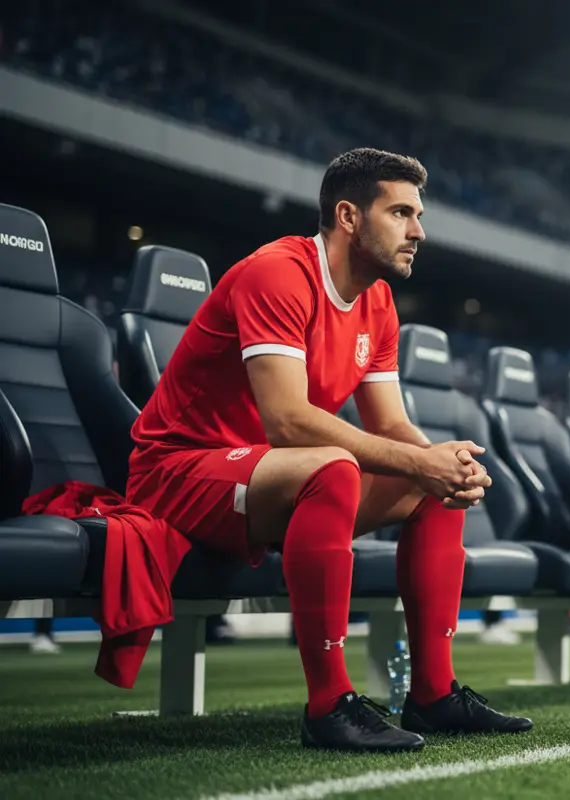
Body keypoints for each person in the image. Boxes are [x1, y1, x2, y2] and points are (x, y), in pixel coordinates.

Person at [126, 148, 531, 752]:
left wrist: (444, 463)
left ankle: (433, 693)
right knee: (335, 468)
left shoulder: (379, 304)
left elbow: (392, 425)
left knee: (434, 480)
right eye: (401, 213)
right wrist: (420, 459)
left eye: (418, 216)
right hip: (179, 472)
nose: (418, 231)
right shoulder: (279, 272)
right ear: (348, 216)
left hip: (269, 478)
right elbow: (288, 422)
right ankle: (329, 704)